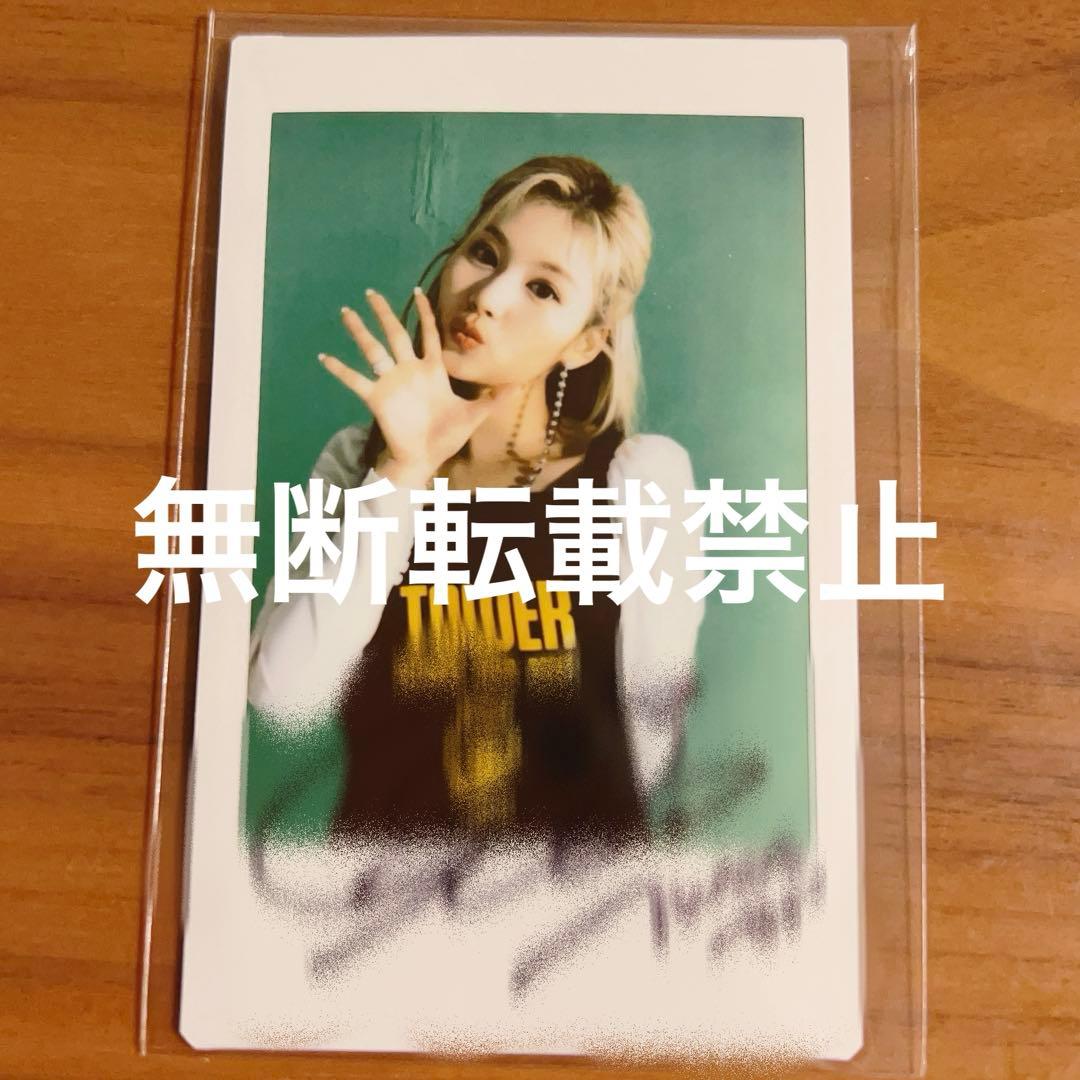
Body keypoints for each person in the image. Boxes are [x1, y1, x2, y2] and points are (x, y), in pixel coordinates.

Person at [248, 155, 704, 846]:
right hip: (378, 890)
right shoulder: (358, 465)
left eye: (543, 288)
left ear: (586, 342)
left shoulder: (640, 481)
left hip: (579, 893)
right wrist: (402, 473)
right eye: (485, 253)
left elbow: (652, 746)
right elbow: (283, 697)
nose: (488, 296)